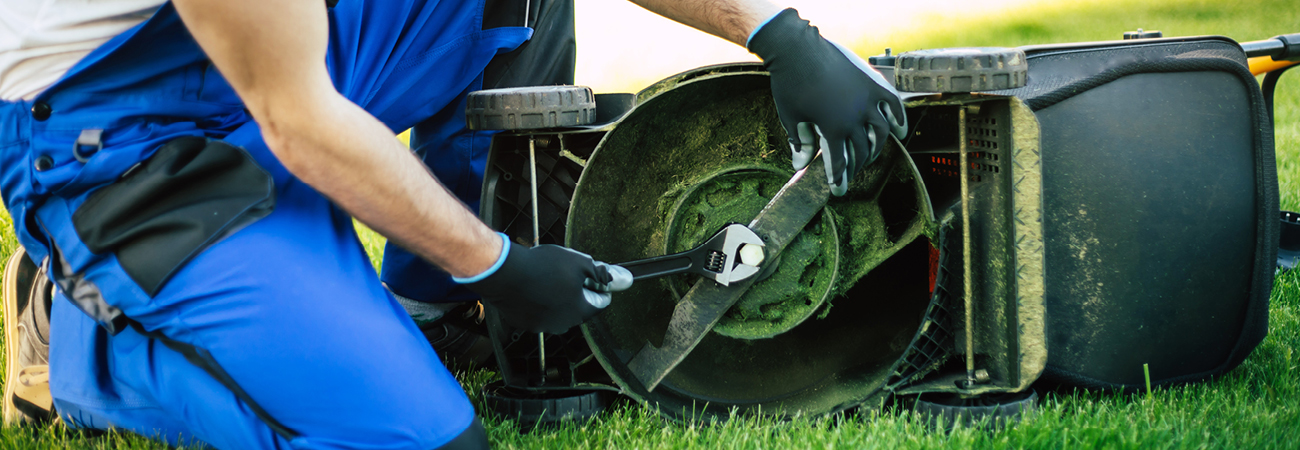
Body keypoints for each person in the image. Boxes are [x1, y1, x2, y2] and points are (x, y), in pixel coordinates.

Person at [0, 0, 906, 448]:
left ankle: (433, 308)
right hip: (127, 144)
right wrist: (499, 264)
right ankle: (77, 333)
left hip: (280, 54)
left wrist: (777, 31)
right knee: (426, 440)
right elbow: (298, 121)